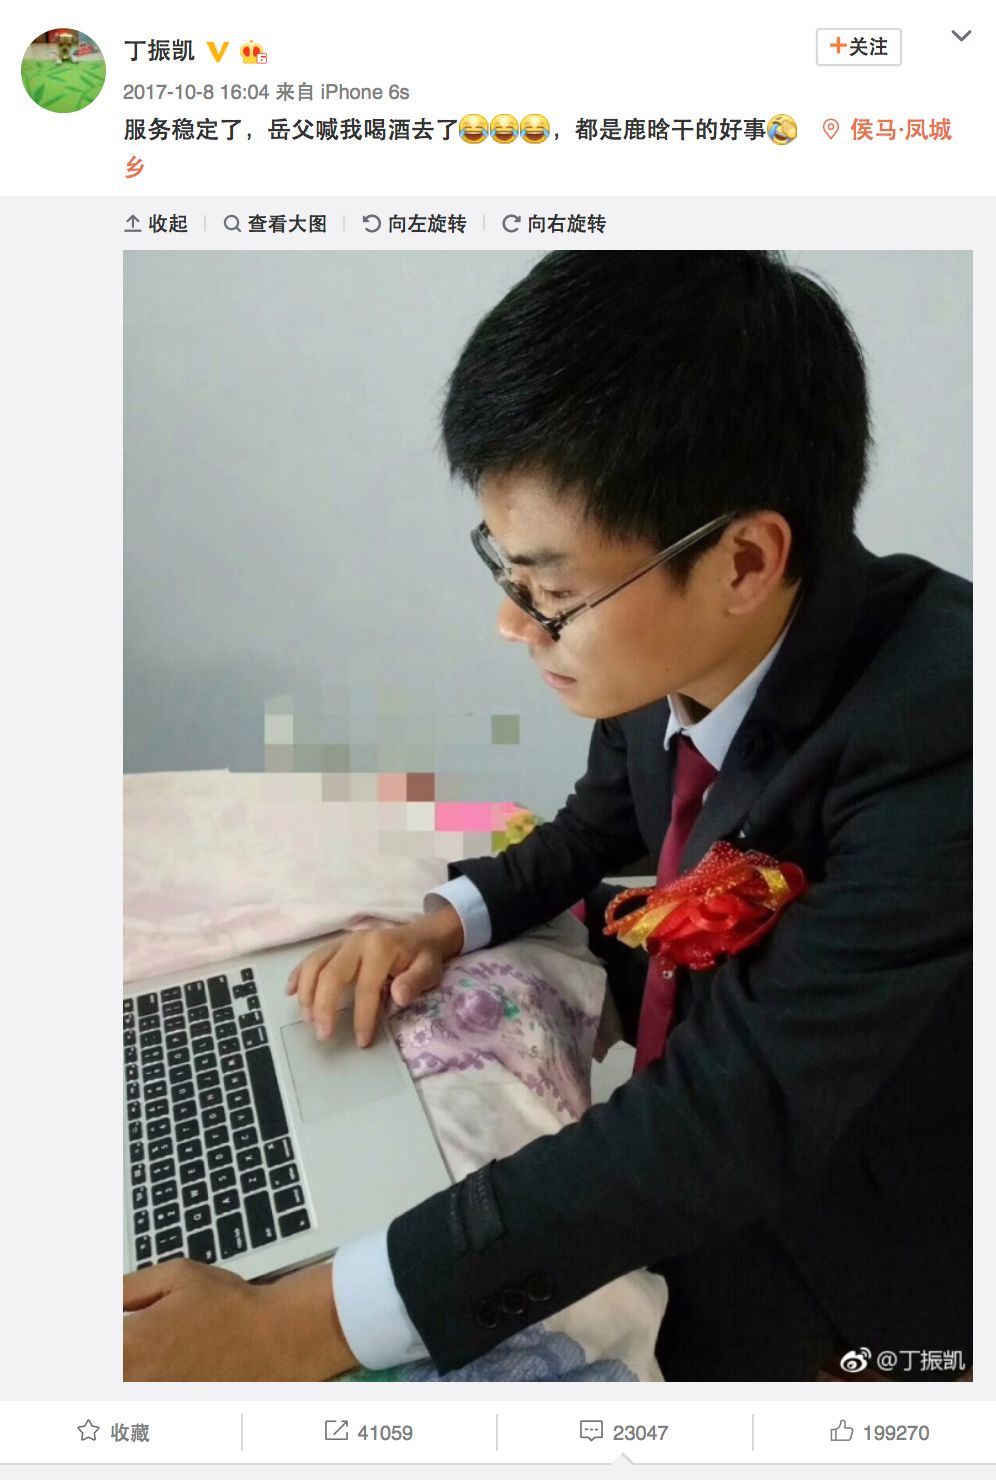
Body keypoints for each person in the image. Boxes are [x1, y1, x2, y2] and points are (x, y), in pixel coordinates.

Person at [123, 250, 971, 1382]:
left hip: (846, 1225)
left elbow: (726, 1122)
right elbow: (600, 820)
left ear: (744, 560)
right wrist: (445, 922)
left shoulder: (944, 742)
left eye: (555, 595)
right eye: (509, 574)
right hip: (696, 1133)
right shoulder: (678, 651)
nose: (516, 627)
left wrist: (285, 1328)